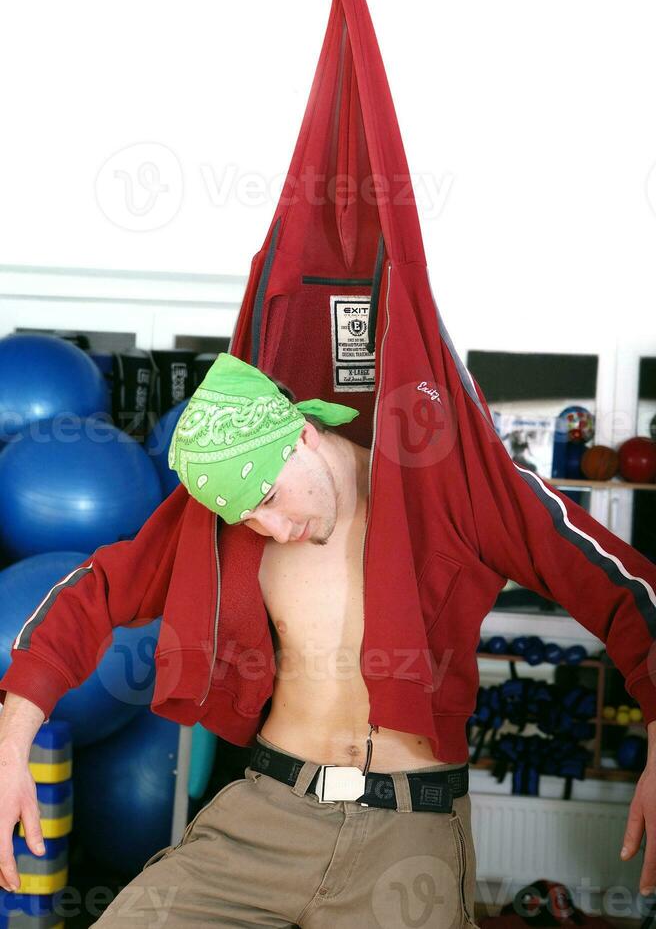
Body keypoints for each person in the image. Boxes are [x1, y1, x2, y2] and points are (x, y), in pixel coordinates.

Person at [0, 353, 478, 928]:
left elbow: (606, 581)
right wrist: (9, 749)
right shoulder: (228, 515)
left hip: (410, 825)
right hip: (273, 812)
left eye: (271, 500)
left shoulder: (451, 500)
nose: (274, 531)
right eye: (249, 518)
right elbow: (93, 594)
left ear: (302, 436)